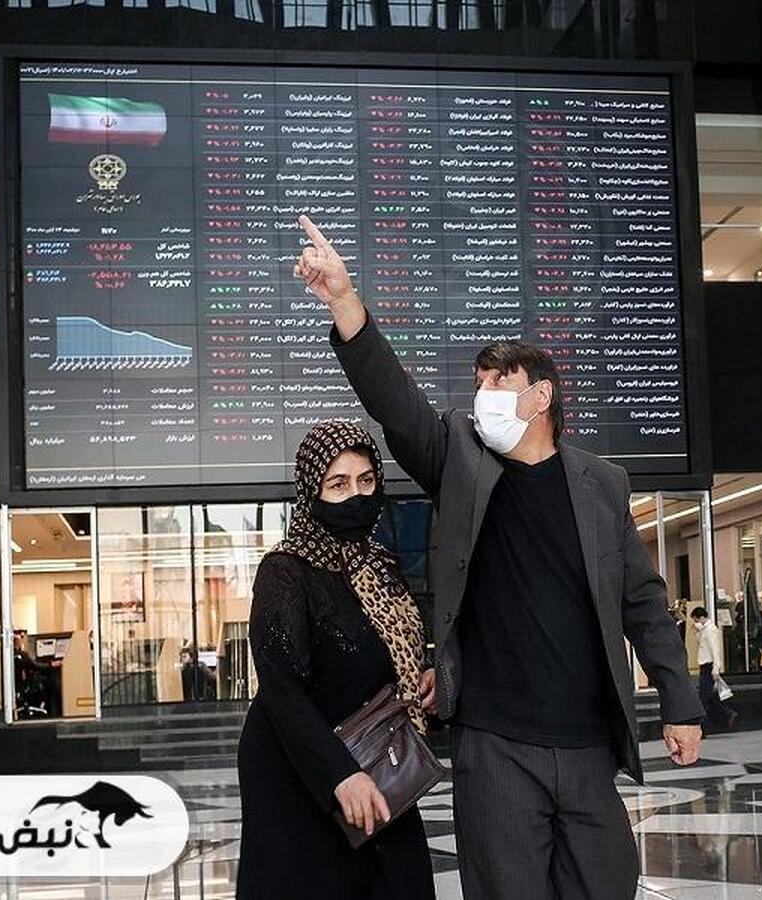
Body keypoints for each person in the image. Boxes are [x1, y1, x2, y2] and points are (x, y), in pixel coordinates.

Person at [294, 215, 704, 900]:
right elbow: (395, 403)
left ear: (541, 395)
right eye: (477, 382)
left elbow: (642, 601)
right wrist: (344, 301)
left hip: (588, 745)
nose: (481, 395)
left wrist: (679, 700)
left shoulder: (601, 484)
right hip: (495, 745)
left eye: (497, 381)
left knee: (607, 883)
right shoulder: (460, 459)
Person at [236, 421, 436, 900]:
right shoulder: (285, 571)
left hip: (378, 760)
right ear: (312, 492)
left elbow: (395, 649)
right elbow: (281, 688)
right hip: (302, 774)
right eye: (338, 484)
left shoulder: (380, 565)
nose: (356, 496)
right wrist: (338, 775)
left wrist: (421, 675)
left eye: (366, 481)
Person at [691, 607, 738, 731]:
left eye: (696, 620)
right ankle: (727, 714)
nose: (696, 623)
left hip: (709, 665)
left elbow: (715, 650)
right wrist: (697, 632)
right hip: (705, 665)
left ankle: (704, 727)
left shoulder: (710, 630)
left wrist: (716, 668)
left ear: (702, 618)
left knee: (704, 697)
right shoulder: (704, 630)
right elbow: (701, 645)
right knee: (708, 696)